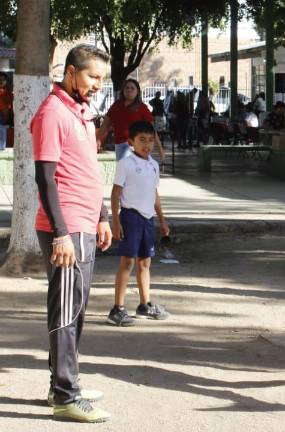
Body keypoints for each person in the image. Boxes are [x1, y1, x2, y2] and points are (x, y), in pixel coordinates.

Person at [32, 44, 113, 422]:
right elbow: (45, 177)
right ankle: (65, 395)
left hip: (84, 222)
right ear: (70, 72)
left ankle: (63, 383)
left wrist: (102, 215)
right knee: (65, 312)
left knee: (76, 310)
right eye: (93, 76)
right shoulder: (51, 113)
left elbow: (88, 170)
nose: (98, 84)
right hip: (64, 227)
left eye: (102, 78)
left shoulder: (81, 112)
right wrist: (61, 234)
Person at [107, 121, 171, 327]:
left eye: (151, 140)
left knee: (145, 262)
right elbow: (115, 193)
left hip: (147, 218)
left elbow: (155, 194)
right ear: (130, 142)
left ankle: (145, 304)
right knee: (127, 262)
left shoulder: (153, 164)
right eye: (142, 140)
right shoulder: (126, 163)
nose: (147, 144)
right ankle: (117, 308)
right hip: (130, 217)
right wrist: (115, 221)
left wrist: (162, 220)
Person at [99, 79, 164, 161]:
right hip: (119, 145)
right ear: (123, 90)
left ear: (137, 92)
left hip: (136, 146)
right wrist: (95, 141)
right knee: (124, 170)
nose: (129, 90)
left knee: (133, 170)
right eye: (127, 88)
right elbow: (105, 125)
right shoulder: (116, 106)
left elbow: (151, 129)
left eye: (132, 88)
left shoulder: (142, 107)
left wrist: (160, 148)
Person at [0, 71, 12, 151]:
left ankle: (1, 146)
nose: (1, 81)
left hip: (3, 112)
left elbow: (9, 102)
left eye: (3, 79)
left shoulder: (7, 91)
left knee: (2, 128)